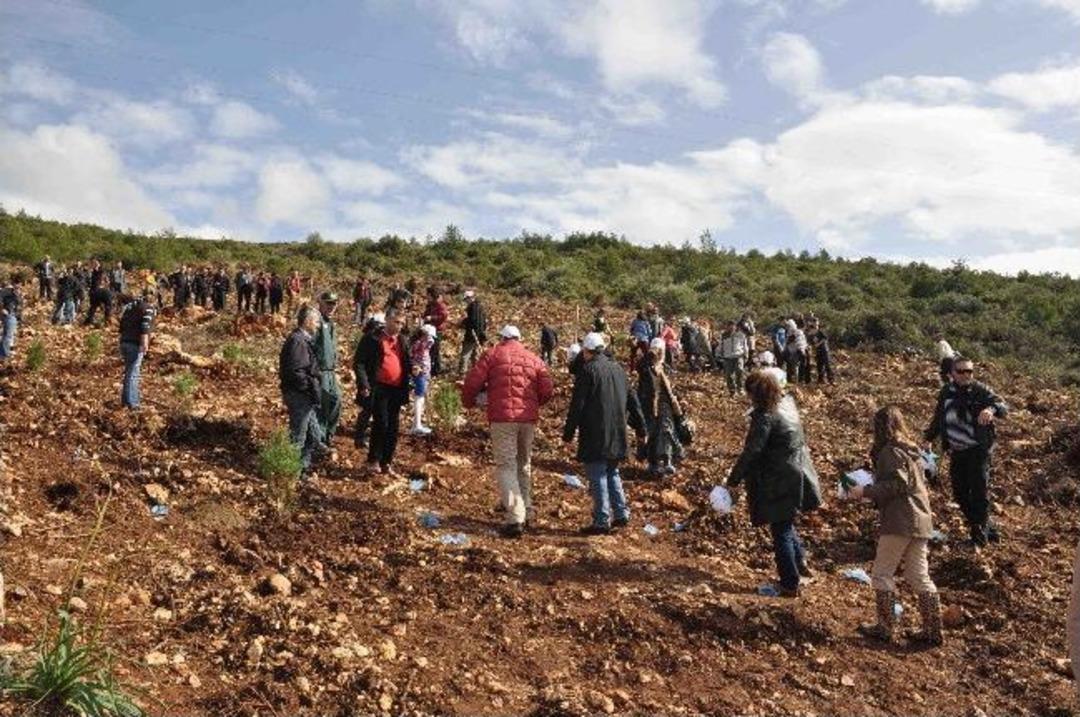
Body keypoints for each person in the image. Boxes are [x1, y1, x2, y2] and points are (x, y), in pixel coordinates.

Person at [847, 406, 942, 646]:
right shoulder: (911, 451)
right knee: (918, 575)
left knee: (882, 573)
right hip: (920, 519)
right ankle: (933, 629)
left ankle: (885, 626)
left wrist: (864, 491)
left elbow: (897, 485)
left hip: (900, 519)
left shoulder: (890, 452)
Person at [727, 371, 821, 598]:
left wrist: (733, 480)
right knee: (786, 523)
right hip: (797, 470)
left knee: (780, 530)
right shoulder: (787, 404)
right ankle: (801, 565)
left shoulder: (765, 416)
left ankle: (789, 583)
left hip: (779, 477)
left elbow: (752, 451)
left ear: (756, 394)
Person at [463, 325, 554, 538]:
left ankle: (515, 517)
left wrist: (468, 402)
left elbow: (472, 382)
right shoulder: (534, 358)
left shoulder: (492, 354)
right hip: (527, 419)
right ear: (519, 338)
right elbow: (547, 389)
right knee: (524, 464)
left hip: (503, 418)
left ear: (502, 338)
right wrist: (534, 403)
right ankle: (527, 509)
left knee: (506, 465)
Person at [563, 332, 647, 535]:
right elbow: (633, 400)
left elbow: (578, 405)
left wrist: (568, 433)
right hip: (618, 430)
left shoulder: (588, 370)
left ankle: (601, 520)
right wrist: (641, 427)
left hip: (595, 431)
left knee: (598, 473)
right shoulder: (618, 369)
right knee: (612, 471)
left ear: (586, 351)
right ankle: (621, 513)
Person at [924, 356, 1008, 548]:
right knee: (959, 493)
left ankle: (979, 538)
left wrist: (991, 409)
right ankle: (986, 527)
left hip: (977, 449)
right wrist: (928, 438)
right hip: (957, 450)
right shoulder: (946, 392)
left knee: (979, 492)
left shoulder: (980, 391)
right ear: (952, 374)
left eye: (969, 371)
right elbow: (939, 418)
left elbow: (1003, 406)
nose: (965, 375)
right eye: (961, 371)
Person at [354, 310, 411, 475]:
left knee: (393, 426)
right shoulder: (373, 338)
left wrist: (413, 369)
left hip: (397, 389)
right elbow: (359, 362)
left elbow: (406, 361)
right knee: (381, 423)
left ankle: (387, 461)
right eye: (396, 322)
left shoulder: (402, 340)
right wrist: (363, 383)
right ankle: (373, 460)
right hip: (379, 387)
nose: (398, 326)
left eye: (401, 323)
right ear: (387, 320)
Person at [278, 305, 326, 479]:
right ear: (307, 321)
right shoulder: (297, 341)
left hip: (306, 395)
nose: (318, 325)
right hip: (300, 396)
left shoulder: (302, 339)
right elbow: (296, 372)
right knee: (298, 437)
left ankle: (301, 468)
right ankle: (290, 474)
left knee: (313, 436)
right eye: (316, 321)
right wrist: (308, 387)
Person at [637, 338, 683, 477]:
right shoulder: (646, 367)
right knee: (652, 435)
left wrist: (677, 400)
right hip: (650, 406)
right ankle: (653, 464)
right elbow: (640, 367)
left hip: (666, 405)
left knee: (667, 433)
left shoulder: (664, 367)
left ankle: (667, 461)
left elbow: (669, 387)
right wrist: (650, 354)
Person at [117, 287, 156, 409]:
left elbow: (121, 325)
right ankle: (133, 403)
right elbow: (145, 326)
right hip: (135, 344)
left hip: (124, 341)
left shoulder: (130, 307)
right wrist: (145, 343)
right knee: (133, 374)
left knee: (129, 372)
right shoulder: (148, 308)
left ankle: (126, 401)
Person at [353, 313, 385, 449]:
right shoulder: (368, 339)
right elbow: (359, 363)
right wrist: (364, 383)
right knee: (367, 409)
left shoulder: (387, 339)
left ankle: (371, 437)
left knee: (377, 410)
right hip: (370, 380)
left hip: (382, 381)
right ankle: (360, 437)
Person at [313, 292, 342, 443]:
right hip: (320, 371)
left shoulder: (330, 324)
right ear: (321, 303)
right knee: (322, 406)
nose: (331, 307)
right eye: (328, 303)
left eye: (333, 304)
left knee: (336, 402)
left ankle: (328, 435)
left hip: (331, 372)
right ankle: (319, 439)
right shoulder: (316, 322)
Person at [409, 324, 438, 435]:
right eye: (429, 336)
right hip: (420, 373)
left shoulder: (423, 344)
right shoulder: (420, 344)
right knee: (419, 398)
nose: (431, 340)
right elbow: (414, 356)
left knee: (420, 398)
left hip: (424, 373)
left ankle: (416, 423)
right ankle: (417, 425)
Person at [458, 290, 487, 375]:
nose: (466, 301)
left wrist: (462, 322)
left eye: (466, 299)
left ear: (470, 298)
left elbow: (472, 321)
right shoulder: (480, 307)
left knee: (465, 354)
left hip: (472, 334)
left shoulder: (473, 308)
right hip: (479, 334)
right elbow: (483, 322)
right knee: (475, 355)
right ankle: (477, 373)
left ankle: (462, 373)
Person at [421, 286, 448, 376]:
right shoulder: (430, 304)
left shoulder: (440, 304)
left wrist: (431, 317)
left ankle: (436, 370)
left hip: (437, 330)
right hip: (429, 329)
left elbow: (443, 316)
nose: (427, 296)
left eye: (428, 294)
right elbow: (426, 313)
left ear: (432, 295)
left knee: (435, 350)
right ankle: (432, 368)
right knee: (430, 349)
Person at [718, 319, 749, 395]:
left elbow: (745, 345)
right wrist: (719, 354)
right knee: (729, 375)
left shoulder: (741, 335)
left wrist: (746, 354)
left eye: (733, 326)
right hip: (727, 357)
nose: (731, 327)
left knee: (740, 371)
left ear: (735, 327)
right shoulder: (724, 335)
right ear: (727, 327)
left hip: (738, 356)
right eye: (729, 326)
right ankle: (732, 390)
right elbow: (721, 345)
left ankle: (740, 389)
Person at [0, 275, 24, 362]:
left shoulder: (20, 292)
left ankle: (6, 351)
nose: (18, 285)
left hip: (15, 315)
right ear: (12, 283)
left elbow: (21, 305)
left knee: (11, 334)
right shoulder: (6, 291)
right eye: (16, 283)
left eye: (19, 284)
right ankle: (3, 355)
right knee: (8, 335)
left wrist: (21, 318)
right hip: (8, 314)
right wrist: (2, 309)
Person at [783, 319, 809, 385]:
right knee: (794, 366)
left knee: (796, 366)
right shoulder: (795, 332)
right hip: (796, 351)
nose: (787, 327)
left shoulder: (796, 332)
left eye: (788, 326)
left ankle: (798, 381)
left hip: (798, 351)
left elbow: (791, 341)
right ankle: (796, 380)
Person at [809, 320, 835, 385]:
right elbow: (812, 344)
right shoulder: (811, 335)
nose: (811, 332)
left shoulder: (820, 331)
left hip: (824, 350)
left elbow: (825, 338)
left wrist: (818, 344)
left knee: (827, 365)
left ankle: (831, 380)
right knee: (819, 366)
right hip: (818, 352)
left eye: (816, 324)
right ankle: (821, 380)